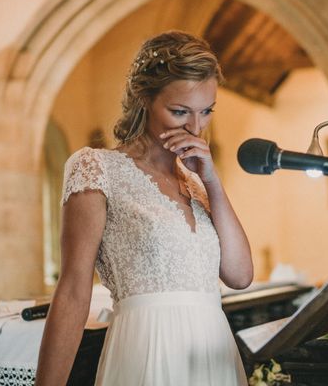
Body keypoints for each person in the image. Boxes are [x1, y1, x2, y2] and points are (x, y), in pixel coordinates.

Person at [35, 31, 253, 386]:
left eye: (206, 112)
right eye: (179, 112)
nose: (196, 128)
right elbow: (74, 289)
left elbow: (240, 276)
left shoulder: (197, 185)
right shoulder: (96, 168)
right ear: (143, 98)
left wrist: (212, 182)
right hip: (147, 353)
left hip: (215, 360)